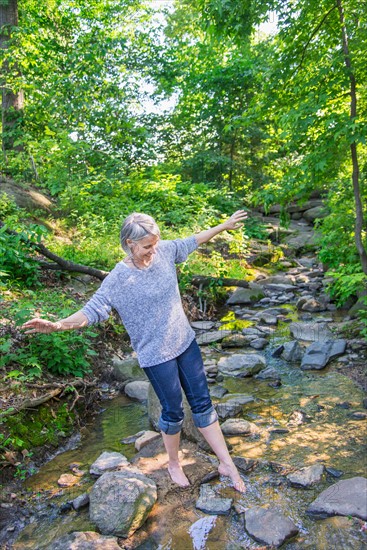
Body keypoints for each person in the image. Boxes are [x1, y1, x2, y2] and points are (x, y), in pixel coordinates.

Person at [22, 210, 248, 491]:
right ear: (130, 243)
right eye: (147, 247)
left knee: (203, 404)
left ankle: (227, 463)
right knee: (173, 412)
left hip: (185, 342)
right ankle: (174, 463)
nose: (154, 251)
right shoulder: (118, 279)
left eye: (155, 243)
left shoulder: (164, 251)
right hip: (155, 355)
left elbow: (193, 241)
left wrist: (223, 226)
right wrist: (57, 325)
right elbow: (91, 310)